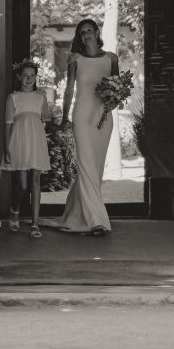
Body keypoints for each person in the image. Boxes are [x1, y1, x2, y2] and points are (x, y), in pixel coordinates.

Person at [41, 18, 117, 236]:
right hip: (82, 116)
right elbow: (69, 90)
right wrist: (65, 117)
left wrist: (113, 101)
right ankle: (97, 221)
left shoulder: (112, 58)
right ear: (79, 37)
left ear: (96, 32)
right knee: (85, 166)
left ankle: (76, 215)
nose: (86, 35)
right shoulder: (75, 59)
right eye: (82, 32)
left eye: (89, 30)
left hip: (103, 117)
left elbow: (118, 87)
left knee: (96, 168)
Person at [2, 58, 51, 239]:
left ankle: (35, 224)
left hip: (36, 141)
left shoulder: (41, 97)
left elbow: (46, 117)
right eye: (25, 76)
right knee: (22, 184)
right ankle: (15, 210)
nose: (29, 79)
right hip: (19, 141)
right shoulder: (13, 97)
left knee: (35, 182)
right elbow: (8, 125)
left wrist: (48, 112)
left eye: (32, 76)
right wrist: (7, 148)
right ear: (18, 77)